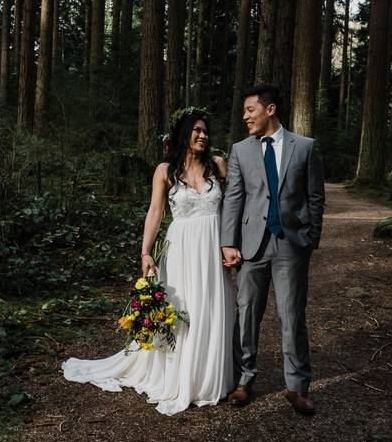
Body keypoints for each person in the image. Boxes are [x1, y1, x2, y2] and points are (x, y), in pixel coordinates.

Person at [61, 110, 234, 415]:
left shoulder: (218, 165)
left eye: (206, 131)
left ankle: (206, 378)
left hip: (211, 247)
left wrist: (232, 242)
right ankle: (178, 376)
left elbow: (235, 204)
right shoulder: (165, 171)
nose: (203, 136)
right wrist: (145, 253)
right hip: (180, 249)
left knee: (210, 308)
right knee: (183, 310)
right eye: (197, 130)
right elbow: (155, 213)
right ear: (183, 134)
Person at [221, 84, 326, 415]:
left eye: (250, 110)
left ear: (270, 110)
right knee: (247, 313)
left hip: (291, 246)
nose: (245, 116)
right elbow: (234, 197)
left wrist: (311, 238)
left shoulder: (305, 147)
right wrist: (228, 242)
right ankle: (244, 379)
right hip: (251, 246)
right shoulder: (240, 150)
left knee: (292, 315)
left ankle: (297, 387)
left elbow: (315, 196)